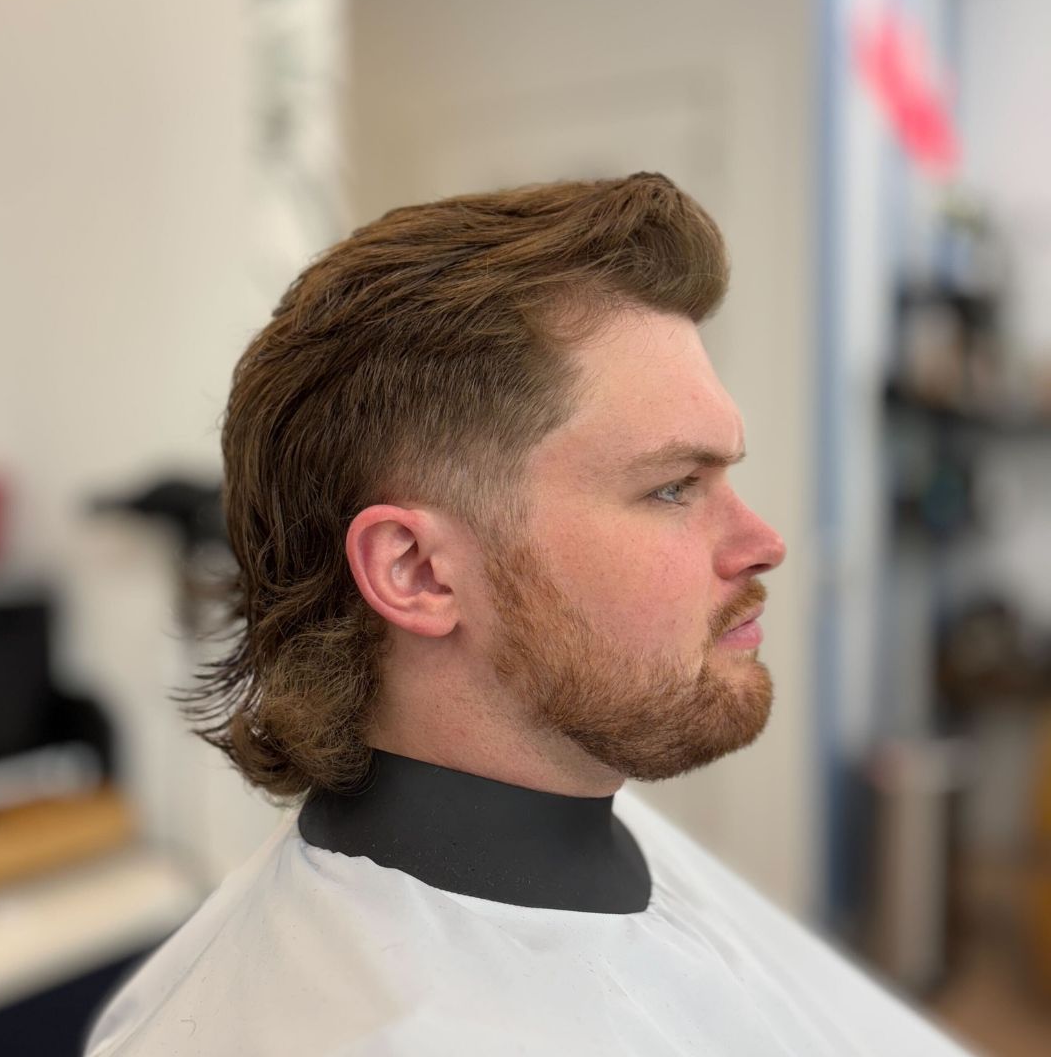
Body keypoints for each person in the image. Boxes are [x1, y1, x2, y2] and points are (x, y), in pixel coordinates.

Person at [84, 173, 972, 1055]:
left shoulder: (590, 825)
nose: (764, 543)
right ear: (417, 571)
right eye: (673, 487)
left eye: (723, 477)